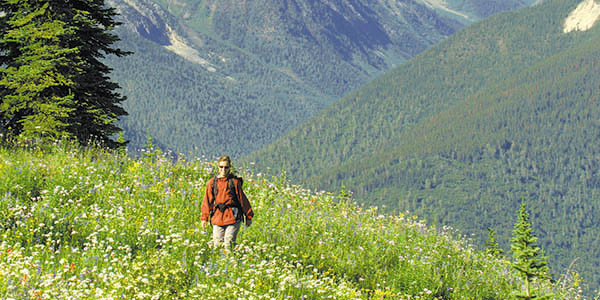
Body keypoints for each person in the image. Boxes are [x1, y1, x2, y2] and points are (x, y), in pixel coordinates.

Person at [201, 155, 253, 250]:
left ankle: (232, 262)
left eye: (226, 167)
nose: (223, 169)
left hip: (233, 217)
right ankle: (236, 256)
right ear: (218, 167)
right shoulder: (212, 183)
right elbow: (207, 201)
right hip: (217, 217)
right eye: (221, 167)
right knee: (217, 245)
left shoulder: (234, 182)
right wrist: (204, 218)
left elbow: (243, 200)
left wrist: (248, 216)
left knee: (228, 244)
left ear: (230, 168)